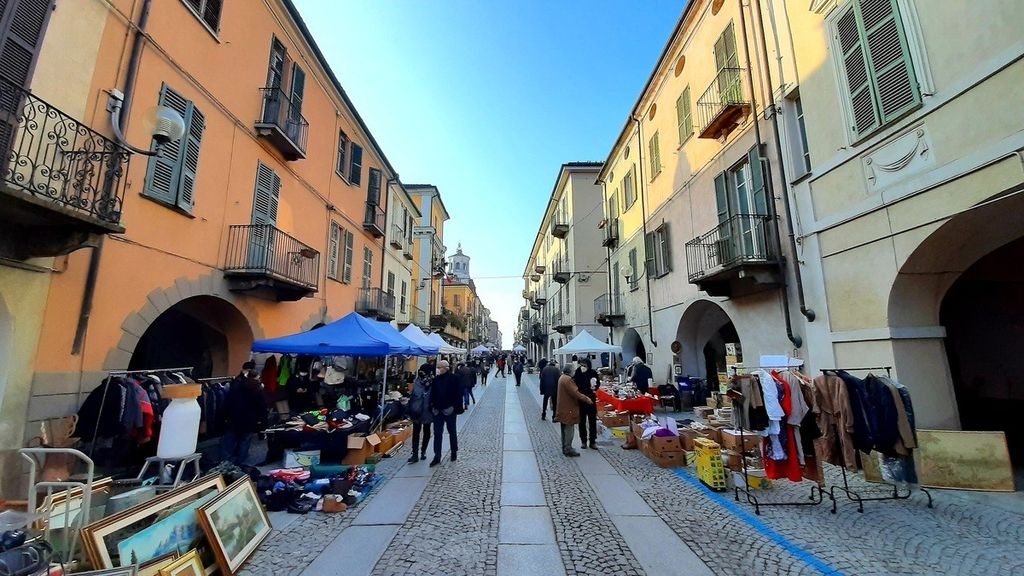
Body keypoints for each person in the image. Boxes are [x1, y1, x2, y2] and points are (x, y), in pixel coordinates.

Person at [221, 361, 268, 465]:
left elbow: (227, 403)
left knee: (229, 441)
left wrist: (223, 417)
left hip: (234, 418)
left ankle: (225, 462)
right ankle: (240, 462)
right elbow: (262, 407)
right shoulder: (258, 389)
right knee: (245, 441)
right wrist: (262, 423)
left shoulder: (236, 385)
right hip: (250, 420)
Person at [429, 360, 461, 466]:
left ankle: (454, 451)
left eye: (440, 367)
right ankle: (437, 456)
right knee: (437, 433)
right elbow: (432, 393)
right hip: (437, 410)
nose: (438, 369)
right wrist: (432, 405)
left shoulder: (454, 378)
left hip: (449, 410)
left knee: (452, 431)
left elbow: (458, 393)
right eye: (438, 367)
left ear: (446, 368)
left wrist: (454, 407)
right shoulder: (436, 379)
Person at [556, 364, 593, 457]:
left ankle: (565, 447)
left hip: (563, 408)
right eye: (573, 370)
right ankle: (568, 448)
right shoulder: (568, 380)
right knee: (569, 429)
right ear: (570, 371)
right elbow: (575, 393)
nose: (574, 372)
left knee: (564, 429)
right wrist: (587, 399)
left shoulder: (562, 377)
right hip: (568, 409)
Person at [406, 367, 434, 463]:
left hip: (427, 410)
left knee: (426, 431)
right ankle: (415, 454)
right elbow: (413, 395)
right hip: (417, 411)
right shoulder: (417, 381)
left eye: (422, 371)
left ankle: (423, 451)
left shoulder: (432, 382)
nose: (420, 373)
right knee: (416, 432)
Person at [574, 358, 600, 449]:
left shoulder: (593, 372)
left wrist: (595, 387)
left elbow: (597, 384)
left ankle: (592, 441)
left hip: (591, 399)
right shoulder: (577, 372)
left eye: (584, 365)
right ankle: (583, 441)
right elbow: (574, 384)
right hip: (581, 400)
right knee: (582, 421)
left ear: (588, 366)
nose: (583, 367)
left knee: (592, 421)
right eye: (581, 365)